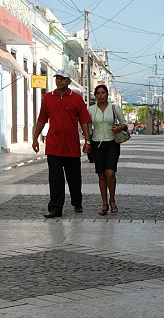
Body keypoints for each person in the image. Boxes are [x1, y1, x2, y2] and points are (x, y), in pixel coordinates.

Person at [32, 69, 91, 218]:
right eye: (57, 78)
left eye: (63, 79)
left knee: (74, 178)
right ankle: (55, 208)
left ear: (69, 82)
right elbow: (41, 120)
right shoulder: (48, 98)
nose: (59, 81)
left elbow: (84, 121)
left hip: (71, 147)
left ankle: (77, 202)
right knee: (55, 179)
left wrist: (87, 141)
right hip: (53, 146)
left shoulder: (77, 99)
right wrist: (35, 138)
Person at [87, 84, 127, 216]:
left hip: (112, 143)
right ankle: (104, 203)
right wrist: (88, 142)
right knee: (101, 174)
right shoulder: (91, 110)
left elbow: (124, 124)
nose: (100, 95)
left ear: (107, 94)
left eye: (103, 93)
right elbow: (87, 127)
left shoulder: (114, 108)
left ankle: (112, 200)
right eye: (98, 93)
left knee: (110, 173)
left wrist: (119, 128)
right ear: (95, 95)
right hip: (97, 144)